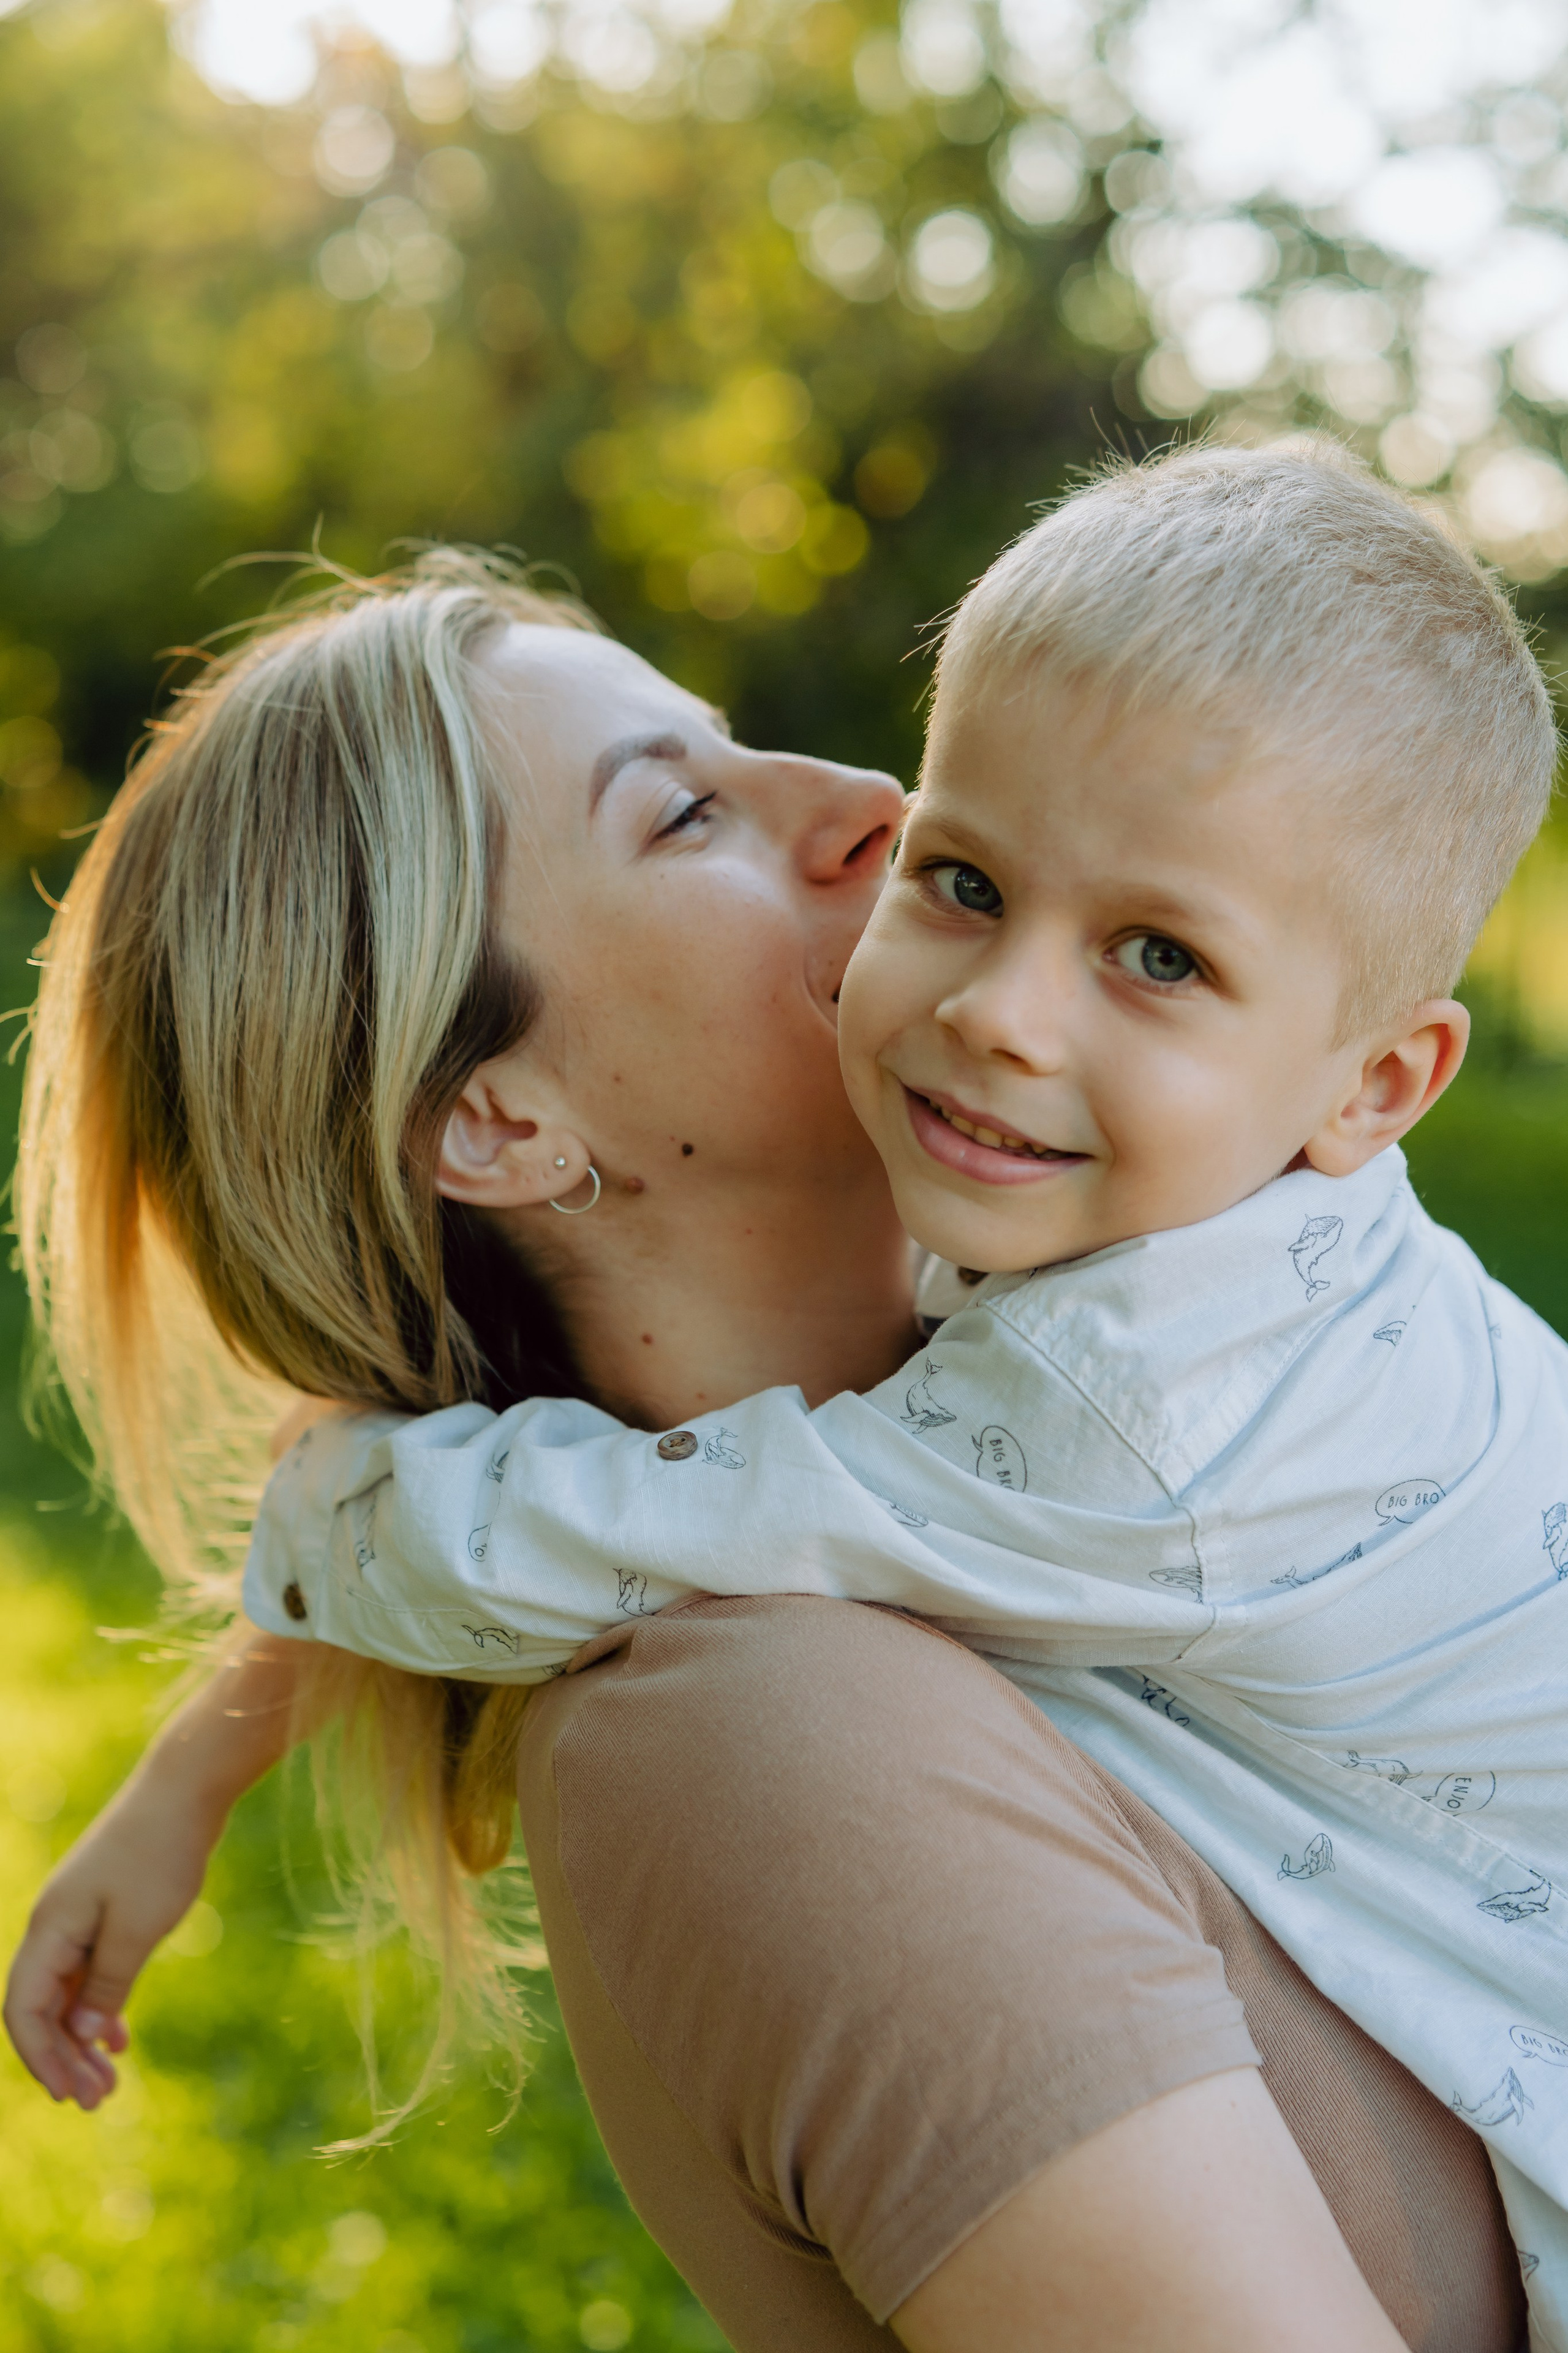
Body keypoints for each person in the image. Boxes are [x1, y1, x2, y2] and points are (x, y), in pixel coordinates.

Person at [1, 540, 1525, 2353]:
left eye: (1159, 950)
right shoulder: (765, 1727)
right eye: (684, 816)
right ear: (492, 1114)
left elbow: (535, 1512)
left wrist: (205, 1757)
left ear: (1376, 1080)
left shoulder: (1160, 1337)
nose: (871, 807)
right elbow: (592, 1518)